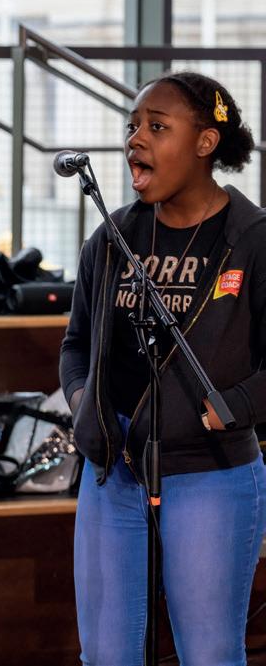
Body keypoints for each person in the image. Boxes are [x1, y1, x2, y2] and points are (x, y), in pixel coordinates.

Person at [60, 71, 266, 664]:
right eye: (132, 127)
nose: (136, 140)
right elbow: (76, 345)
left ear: (205, 142)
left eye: (156, 126)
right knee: (106, 654)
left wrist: (235, 407)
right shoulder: (112, 237)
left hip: (210, 474)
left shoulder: (252, 240)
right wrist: (83, 401)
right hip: (112, 473)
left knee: (208, 654)